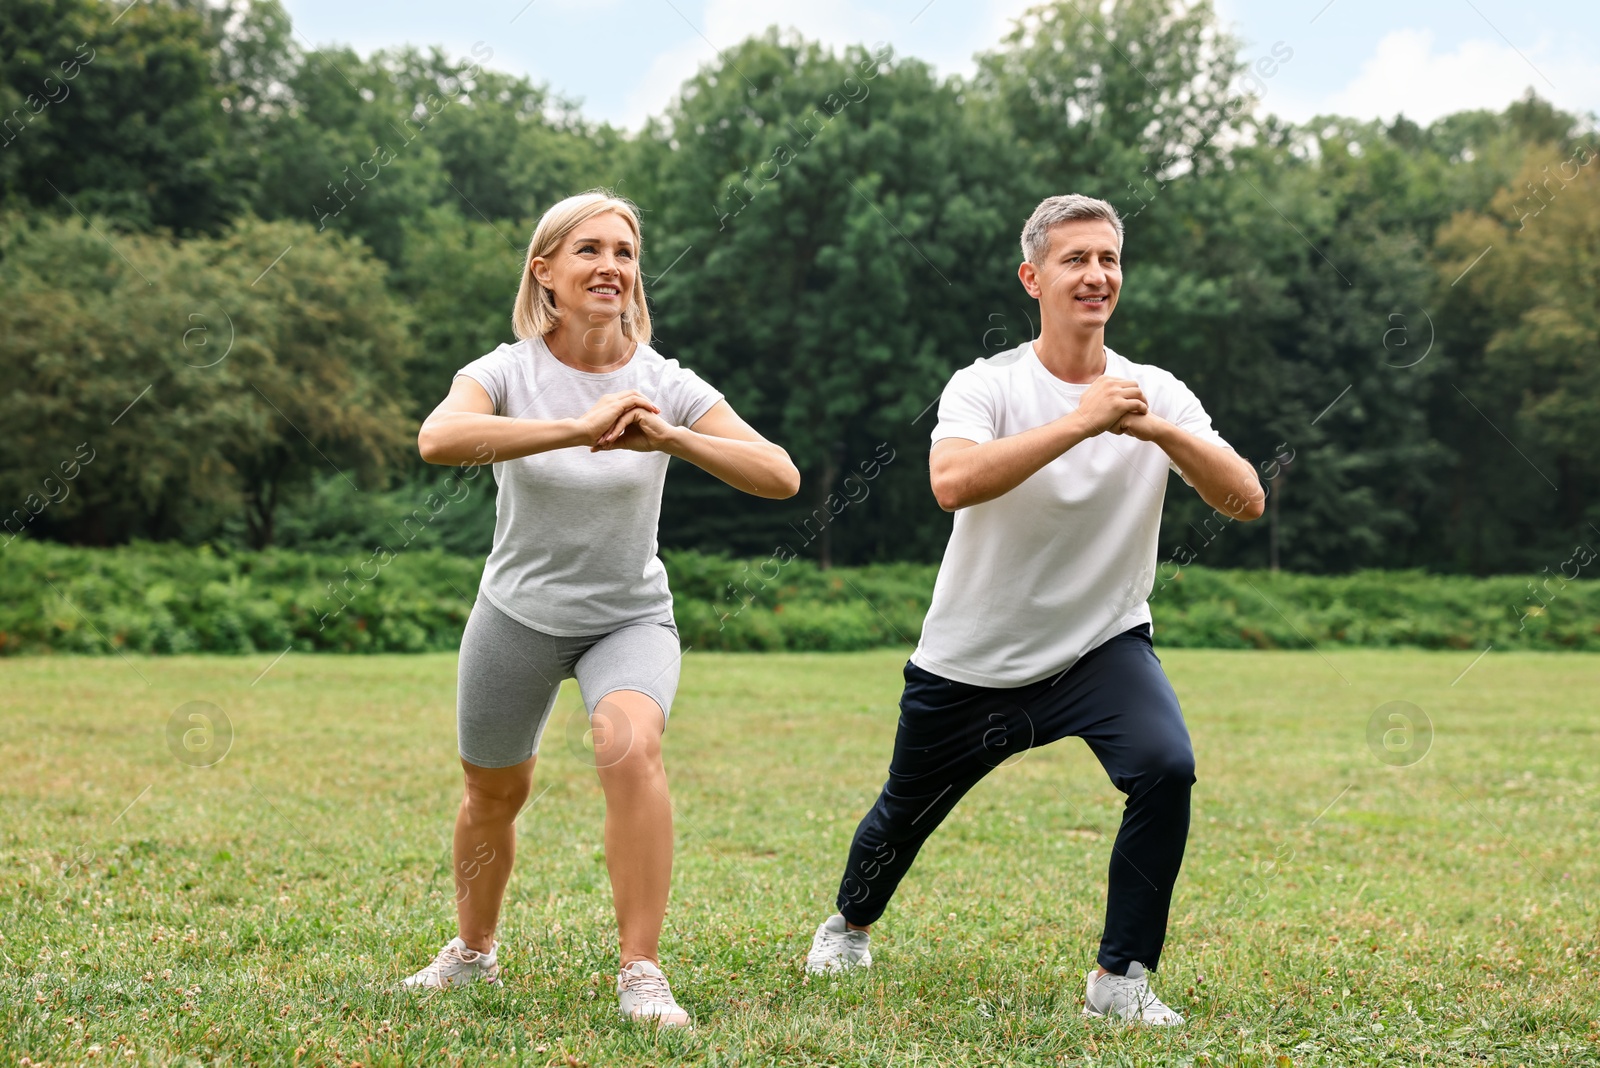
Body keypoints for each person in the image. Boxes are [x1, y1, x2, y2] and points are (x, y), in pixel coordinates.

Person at [804, 193, 1262, 1026]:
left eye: (1109, 260)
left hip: (1102, 647)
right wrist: (1081, 423)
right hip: (973, 658)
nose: (1096, 275)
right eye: (1075, 259)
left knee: (1166, 766)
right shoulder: (988, 385)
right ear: (1033, 277)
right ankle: (848, 926)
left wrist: (1158, 431)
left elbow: (1245, 498)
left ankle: (1119, 979)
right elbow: (952, 483)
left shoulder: (1155, 391)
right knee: (903, 815)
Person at [405, 190, 799, 1027]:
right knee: (491, 794)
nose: (610, 265)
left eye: (624, 251)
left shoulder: (664, 380)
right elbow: (439, 440)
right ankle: (473, 954)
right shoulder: (504, 371)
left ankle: (641, 971)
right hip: (516, 612)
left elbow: (780, 474)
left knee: (628, 745)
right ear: (544, 271)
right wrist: (577, 428)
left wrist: (676, 438)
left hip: (628, 617)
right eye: (588, 249)